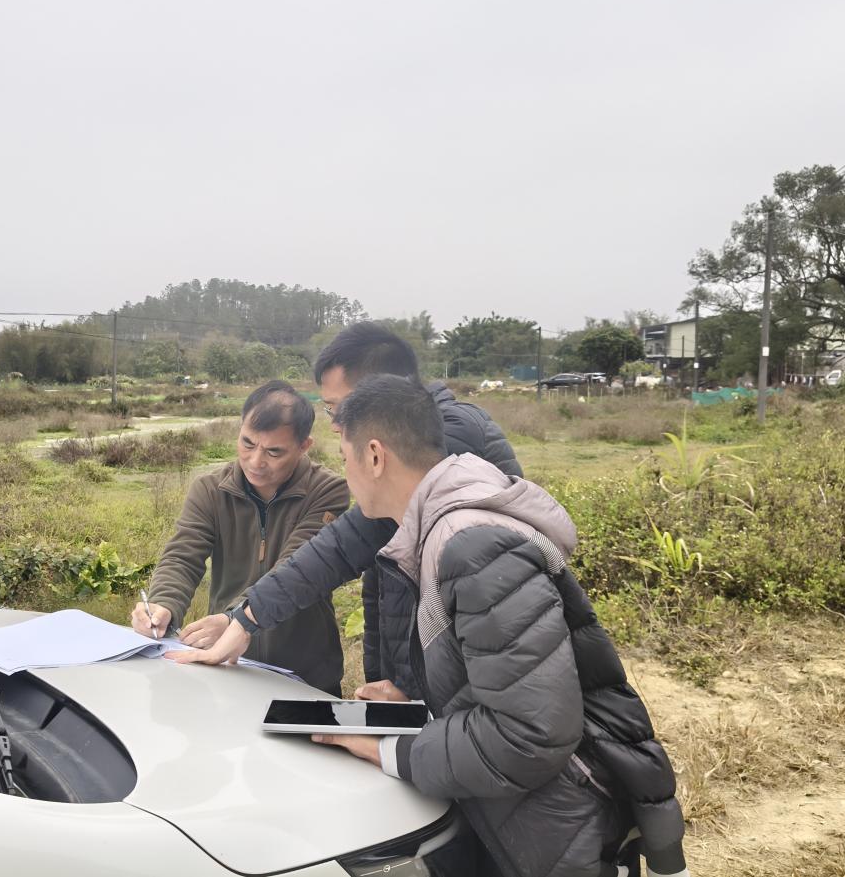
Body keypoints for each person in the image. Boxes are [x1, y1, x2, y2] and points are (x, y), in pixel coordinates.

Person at [310, 375, 687, 877]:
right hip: (530, 818)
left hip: (559, 832)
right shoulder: (443, 530)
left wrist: (392, 750)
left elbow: (529, 734)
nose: (346, 476)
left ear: (375, 456)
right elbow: (504, 685)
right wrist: (423, 710)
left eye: (344, 458)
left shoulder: (472, 546)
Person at [181, 322, 522, 701]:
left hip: (472, 692)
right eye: (329, 410)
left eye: (339, 409)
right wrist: (389, 682)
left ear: (382, 390)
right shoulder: (400, 441)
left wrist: (247, 617)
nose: (335, 425)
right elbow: (384, 574)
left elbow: (349, 543)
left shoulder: (446, 437)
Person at [131, 380, 349, 695]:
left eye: (274, 451)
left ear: (304, 446)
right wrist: (163, 603)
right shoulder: (210, 490)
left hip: (304, 675)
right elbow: (182, 556)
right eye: (247, 443)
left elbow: (296, 567)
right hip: (229, 666)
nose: (256, 461)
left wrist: (235, 618)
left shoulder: (327, 491)